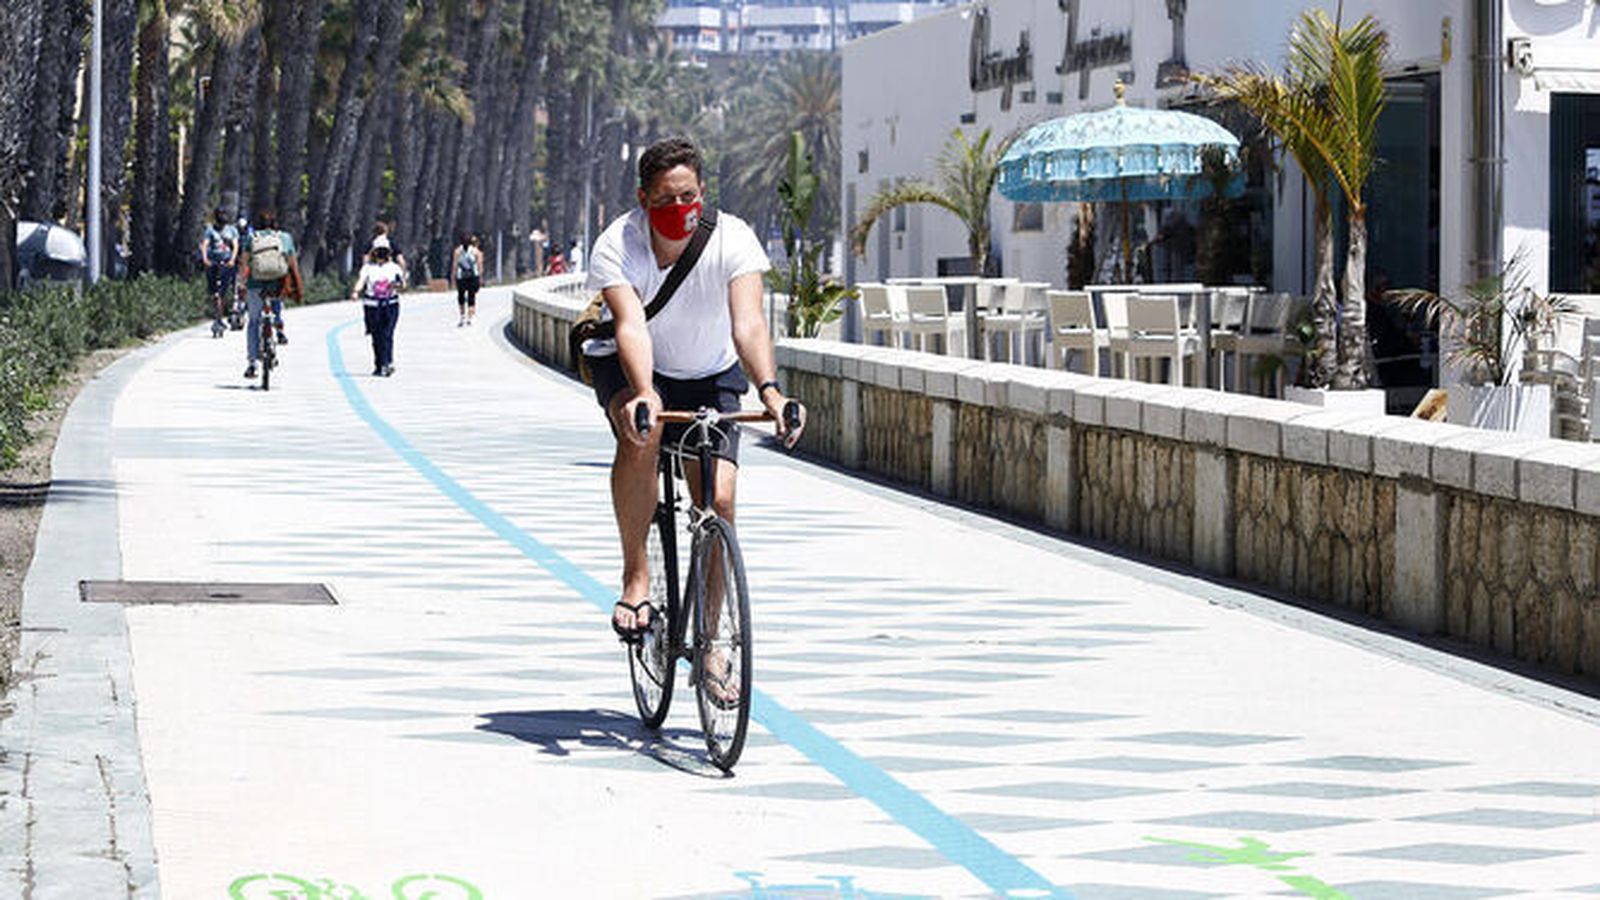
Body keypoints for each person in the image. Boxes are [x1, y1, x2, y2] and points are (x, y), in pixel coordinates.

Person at [581, 136, 804, 646]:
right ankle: (636, 576)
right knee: (641, 435)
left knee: (719, 502)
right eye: (664, 200)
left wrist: (770, 392)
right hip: (637, 368)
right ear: (643, 199)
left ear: (702, 192)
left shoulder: (735, 239)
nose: (677, 209)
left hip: (712, 371)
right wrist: (644, 391)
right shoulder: (619, 243)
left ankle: (711, 641)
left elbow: (747, 325)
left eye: (687, 197)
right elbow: (631, 324)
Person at [238, 209, 302, 379]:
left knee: (253, 321)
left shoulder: (251, 238)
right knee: (276, 309)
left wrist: (241, 284)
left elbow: (244, 263)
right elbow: (292, 263)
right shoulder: (285, 238)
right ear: (275, 223)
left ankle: (252, 363)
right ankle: (276, 333)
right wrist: (296, 285)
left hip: (255, 284)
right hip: (277, 284)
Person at [350, 242, 406, 376]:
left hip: (390, 305)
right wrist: (356, 291)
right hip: (372, 305)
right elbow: (361, 281)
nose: (380, 254)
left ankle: (387, 362)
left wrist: (396, 285)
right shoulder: (368, 268)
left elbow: (402, 284)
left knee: (387, 334)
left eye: (383, 251)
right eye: (378, 251)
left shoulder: (394, 268)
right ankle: (379, 363)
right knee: (376, 336)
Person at [198, 208, 239, 328]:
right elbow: (205, 245)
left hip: (226, 262)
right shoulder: (210, 231)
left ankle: (222, 314)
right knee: (214, 291)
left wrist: (232, 260)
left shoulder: (231, 230)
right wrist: (205, 259)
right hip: (213, 262)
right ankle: (217, 316)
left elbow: (235, 246)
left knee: (224, 289)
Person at [450, 233, 484, 326]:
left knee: (461, 296)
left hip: (461, 277)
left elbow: (454, 265)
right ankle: (470, 317)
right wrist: (480, 278)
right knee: (471, 296)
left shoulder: (457, 251)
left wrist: (452, 277)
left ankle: (462, 316)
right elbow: (480, 265)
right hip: (473, 276)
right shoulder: (476, 251)